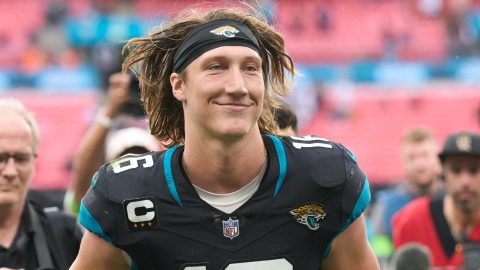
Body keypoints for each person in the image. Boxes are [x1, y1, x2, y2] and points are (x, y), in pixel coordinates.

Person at [71, 6, 379, 270]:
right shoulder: (126, 193)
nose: (237, 86)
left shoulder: (325, 176)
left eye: (250, 69)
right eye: (216, 67)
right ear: (179, 86)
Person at [0, 98, 82, 269]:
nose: (10, 171)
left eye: (21, 159)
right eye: (0, 158)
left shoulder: (65, 234)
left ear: (34, 162)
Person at [66, 72, 159, 215]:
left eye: (142, 157)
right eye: (124, 160)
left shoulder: (164, 198)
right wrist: (109, 112)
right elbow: (82, 175)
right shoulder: (97, 203)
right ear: (109, 164)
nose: (134, 166)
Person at [392, 131, 480, 268]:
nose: (465, 181)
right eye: (456, 170)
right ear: (442, 172)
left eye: (474, 170)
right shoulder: (412, 220)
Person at [370, 127, 442, 260]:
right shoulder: (386, 206)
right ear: (403, 162)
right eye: (412, 157)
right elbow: (381, 258)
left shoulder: (454, 200)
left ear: (438, 158)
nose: (420, 164)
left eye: (425, 155)